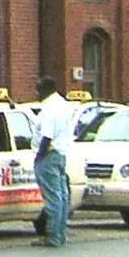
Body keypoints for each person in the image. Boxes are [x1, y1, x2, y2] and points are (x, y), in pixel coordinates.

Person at [32, 74, 96, 247]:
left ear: (46, 90)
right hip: (60, 154)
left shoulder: (49, 109)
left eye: (38, 90)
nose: (36, 94)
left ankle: (52, 236)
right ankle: (60, 234)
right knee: (61, 196)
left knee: (52, 198)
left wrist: (39, 156)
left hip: (49, 155)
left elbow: (46, 136)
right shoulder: (63, 106)